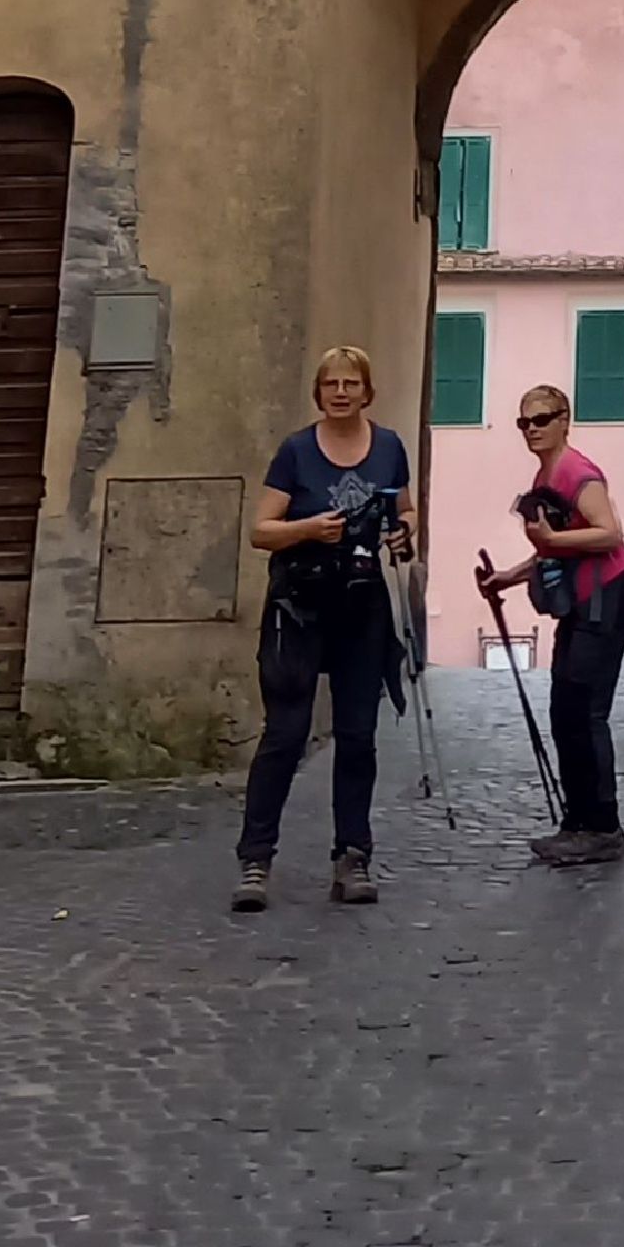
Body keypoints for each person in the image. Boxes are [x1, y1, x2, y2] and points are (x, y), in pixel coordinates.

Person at [232, 345, 415, 914]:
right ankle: (255, 859)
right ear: (319, 393)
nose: (340, 392)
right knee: (285, 735)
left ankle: (353, 856)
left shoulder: (389, 447)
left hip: (361, 607)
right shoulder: (296, 451)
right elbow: (261, 531)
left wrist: (403, 532)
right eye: (331, 383)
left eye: (350, 383)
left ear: (367, 391)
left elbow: (406, 511)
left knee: (358, 737)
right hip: (299, 606)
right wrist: (308, 529)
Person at [478, 383, 624, 865]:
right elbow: (558, 545)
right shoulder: (545, 474)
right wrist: (508, 577)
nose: (532, 429)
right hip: (583, 603)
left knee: (585, 711)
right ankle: (579, 822)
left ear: (564, 420)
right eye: (524, 422)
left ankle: (603, 828)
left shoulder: (577, 473)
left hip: (607, 597)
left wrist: (551, 539)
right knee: (565, 709)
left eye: (542, 419)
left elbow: (609, 533)